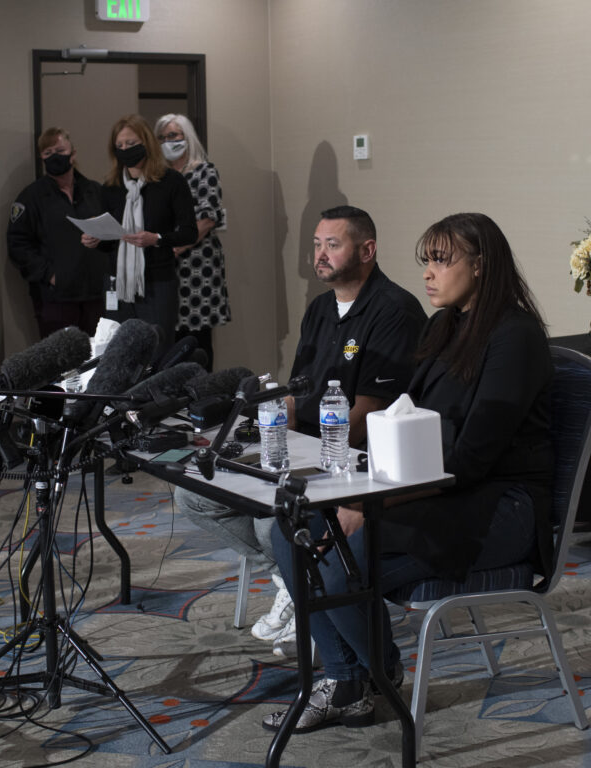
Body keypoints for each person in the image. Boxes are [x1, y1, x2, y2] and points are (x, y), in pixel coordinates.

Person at [263, 212, 555, 733]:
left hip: (499, 504)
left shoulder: (516, 336)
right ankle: (348, 679)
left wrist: (370, 504)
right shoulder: (445, 326)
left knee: (338, 563)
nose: (428, 273)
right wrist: (355, 490)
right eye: (427, 261)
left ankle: (372, 672)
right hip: (432, 487)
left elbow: (470, 460)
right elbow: (404, 421)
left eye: (441, 261)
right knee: (292, 531)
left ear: (482, 266)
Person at [174, 205, 425, 657]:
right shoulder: (319, 310)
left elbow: (370, 412)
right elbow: (294, 397)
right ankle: (294, 578)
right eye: (316, 244)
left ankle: (304, 585)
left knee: (276, 522)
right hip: (301, 449)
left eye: (333, 244)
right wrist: (259, 442)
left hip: (350, 458)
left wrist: (295, 455)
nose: (320, 255)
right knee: (193, 493)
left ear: (367, 250)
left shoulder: (394, 311)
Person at [81, 114, 197, 355]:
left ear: (146, 143)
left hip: (156, 281)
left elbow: (189, 233)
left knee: (157, 351)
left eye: (131, 144)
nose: (125, 150)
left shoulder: (170, 182)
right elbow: (110, 240)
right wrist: (94, 239)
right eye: (120, 146)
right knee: (118, 352)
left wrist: (157, 239)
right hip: (118, 283)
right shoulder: (111, 187)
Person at [7, 127, 106, 337]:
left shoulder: (94, 191)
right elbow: (18, 245)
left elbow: (110, 235)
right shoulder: (31, 197)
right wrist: (49, 275)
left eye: (60, 150)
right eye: (48, 153)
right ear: (41, 157)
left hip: (96, 295)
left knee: (97, 360)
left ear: (73, 153)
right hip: (55, 298)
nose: (55, 156)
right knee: (61, 364)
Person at [153, 114, 231, 371]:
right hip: (163, 264)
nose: (169, 142)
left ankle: (201, 395)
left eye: (174, 135)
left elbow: (208, 219)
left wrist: (176, 246)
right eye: (163, 137)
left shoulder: (204, 171)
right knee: (168, 335)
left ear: (187, 137)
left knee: (196, 338)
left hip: (197, 266)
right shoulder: (158, 176)